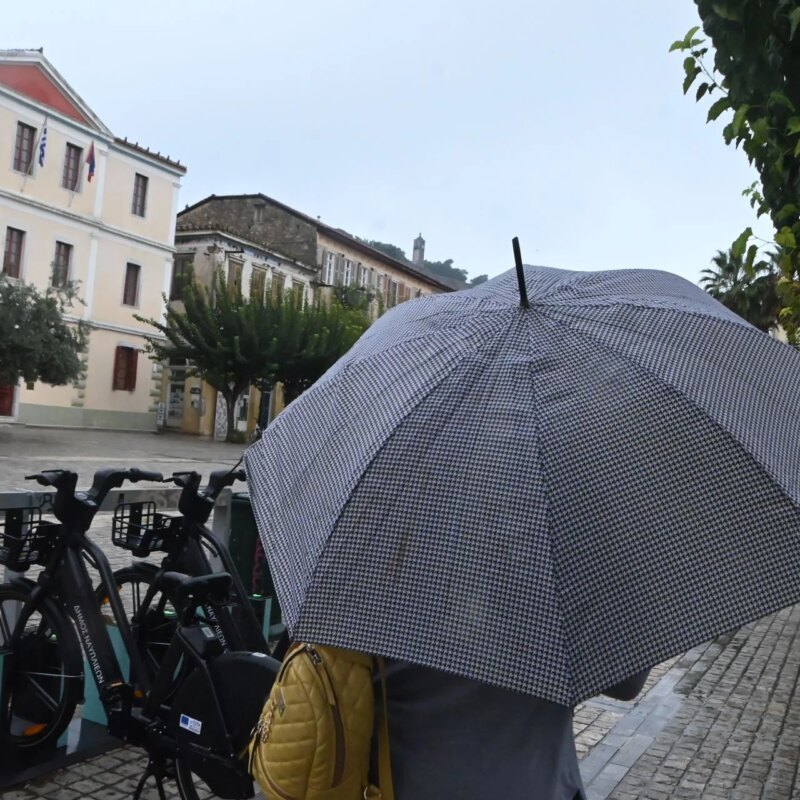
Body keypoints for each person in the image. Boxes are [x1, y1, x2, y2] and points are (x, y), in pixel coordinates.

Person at [373, 661, 650, 800]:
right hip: (532, 784)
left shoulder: (371, 574)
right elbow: (626, 681)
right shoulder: (547, 576)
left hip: (405, 784)